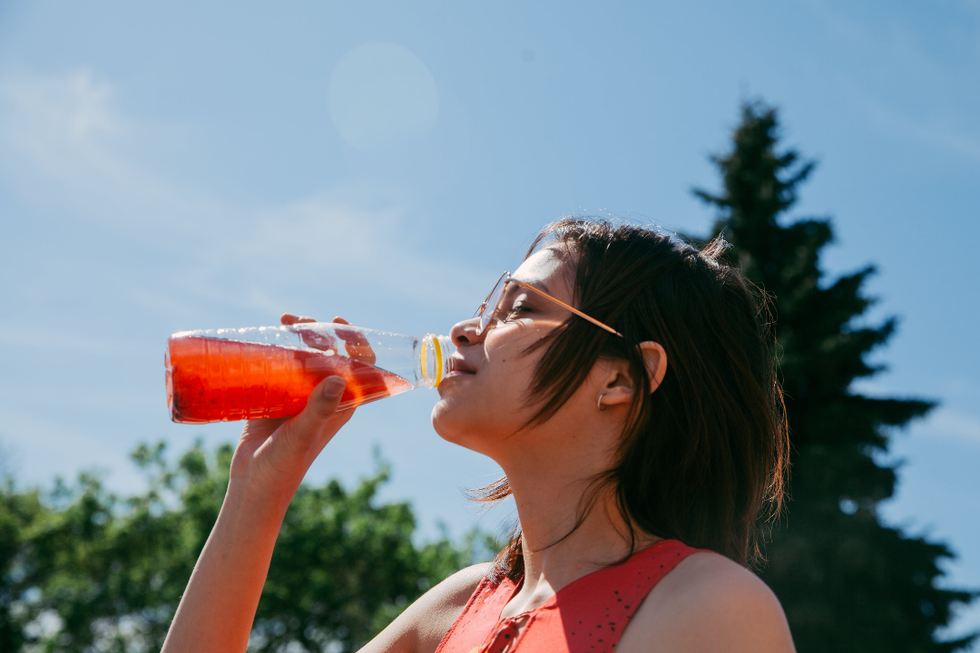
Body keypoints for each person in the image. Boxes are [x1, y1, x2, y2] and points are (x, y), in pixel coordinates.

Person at [161, 218, 796, 653]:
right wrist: (257, 488)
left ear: (621, 379)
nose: (468, 327)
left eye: (520, 308)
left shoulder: (709, 606)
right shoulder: (457, 609)